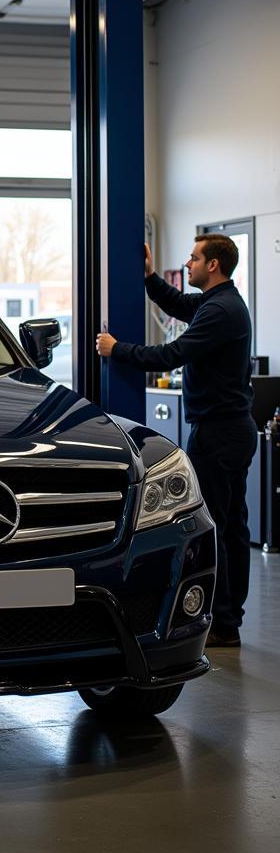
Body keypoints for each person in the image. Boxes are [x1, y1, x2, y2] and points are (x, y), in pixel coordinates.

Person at [96, 235, 255, 647]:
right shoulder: (218, 304)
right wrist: (149, 278)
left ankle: (224, 623)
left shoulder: (220, 311)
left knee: (217, 527)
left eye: (194, 257)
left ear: (214, 265)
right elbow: (179, 305)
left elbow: (172, 353)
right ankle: (229, 618)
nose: (187, 263)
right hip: (230, 429)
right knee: (232, 526)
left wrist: (118, 349)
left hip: (219, 433)